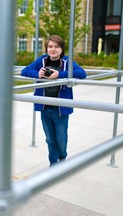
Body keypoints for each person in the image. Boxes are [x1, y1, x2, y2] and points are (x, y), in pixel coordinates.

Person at [21, 35, 86, 167]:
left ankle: (62, 157)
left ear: (62, 49)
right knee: (50, 139)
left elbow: (82, 73)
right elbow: (24, 71)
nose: (53, 49)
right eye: (50, 47)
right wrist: (37, 74)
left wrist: (60, 75)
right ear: (46, 49)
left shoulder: (67, 61)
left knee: (61, 140)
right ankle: (53, 164)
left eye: (56, 47)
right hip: (45, 107)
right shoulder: (42, 61)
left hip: (61, 109)